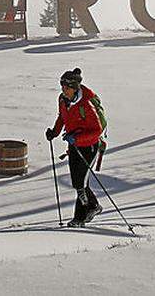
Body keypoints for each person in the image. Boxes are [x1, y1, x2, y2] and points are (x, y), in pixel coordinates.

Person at [45, 67, 103, 227]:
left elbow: (97, 130)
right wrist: (54, 132)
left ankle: (80, 218)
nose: (64, 90)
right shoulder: (63, 100)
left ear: (75, 87)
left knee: (80, 184)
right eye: (62, 87)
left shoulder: (86, 104)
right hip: (74, 147)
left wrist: (77, 137)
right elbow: (62, 117)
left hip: (89, 147)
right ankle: (94, 206)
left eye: (67, 87)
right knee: (77, 182)